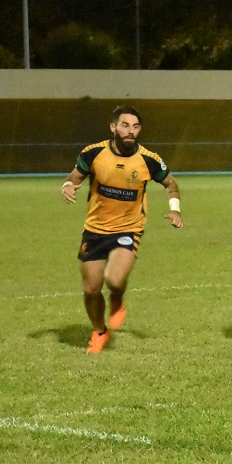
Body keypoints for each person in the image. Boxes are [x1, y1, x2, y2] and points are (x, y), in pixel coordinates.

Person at [61, 105, 182, 354]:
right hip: (95, 230)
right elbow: (75, 176)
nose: (131, 131)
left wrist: (175, 209)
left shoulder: (149, 159)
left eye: (136, 127)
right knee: (91, 289)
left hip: (128, 229)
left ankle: (117, 297)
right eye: (125, 125)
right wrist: (67, 185)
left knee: (114, 280)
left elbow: (170, 183)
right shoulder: (93, 153)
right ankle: (100, 331)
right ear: (113, 127)